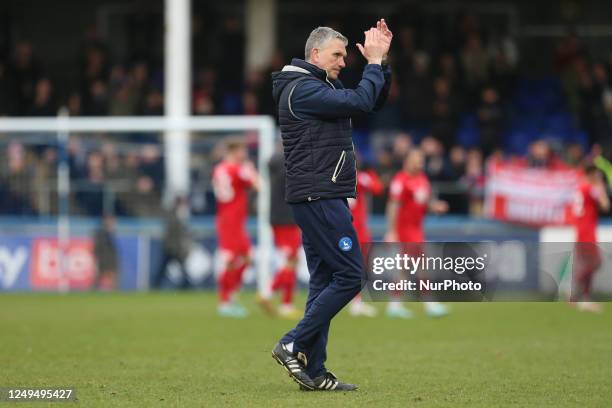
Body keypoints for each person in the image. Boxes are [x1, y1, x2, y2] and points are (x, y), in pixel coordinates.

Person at [270, 21, 392, 391]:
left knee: (324, 281)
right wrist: (371, 64)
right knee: (351, 276)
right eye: (337, 55)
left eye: (345, 54)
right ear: (315, 54)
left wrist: (381, 63)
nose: (343, 61)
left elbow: (372, 102)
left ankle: (317, 370)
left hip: (319, 194)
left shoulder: (315, 87)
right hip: (319, 195)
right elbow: (359, 100)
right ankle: (292, 342)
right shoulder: (301, 90)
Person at [385, 148, 450, 318]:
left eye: (422, 159)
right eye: (417, 158)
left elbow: (424, 201)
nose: (421, 162)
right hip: (405, 229)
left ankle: (396, 304)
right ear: (408, 160)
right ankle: (428, 303)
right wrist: (392, 231)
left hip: (416, 227)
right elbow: (393, 205)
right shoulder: (400, 180)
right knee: (420, 265)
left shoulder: (422, 178)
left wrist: (434, 206)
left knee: (407, 267)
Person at [212, 139, 259, 318]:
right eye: (243, 150)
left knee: (245, 257)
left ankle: (230, 294)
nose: (245, 154)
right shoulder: (237, 169)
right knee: (233, 259)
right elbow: (257, 185)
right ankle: (225, 300)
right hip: (231, 221)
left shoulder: (219, 169)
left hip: (230, 219)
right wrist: (250, 169)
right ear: (235, 151)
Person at [261, 150, 302, 319]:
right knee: (291, 260)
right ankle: (268, 293)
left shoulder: (275, 173)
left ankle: (287, 303)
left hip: (278, 219)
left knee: (292, 260)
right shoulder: (288, 174)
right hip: (287, 220)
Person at [571, 164, 610, 312]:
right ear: (592, 174)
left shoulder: (581, 188)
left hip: (582, 232)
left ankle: (585, 299)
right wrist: (600, 184)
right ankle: (574, 292)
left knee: (589, 264)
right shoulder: (589, 188)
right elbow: (605, 204)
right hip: (587, 233)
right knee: (595, 263)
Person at [348, 165, 384, 317]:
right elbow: (377, 188)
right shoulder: (360, 177)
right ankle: (356, 302)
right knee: (358, 265)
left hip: (347, 228)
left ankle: (357, 300)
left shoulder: (333, 177)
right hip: (356, 229)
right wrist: (371, 172)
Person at [153, 196, 192, 289]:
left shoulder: (178, 214)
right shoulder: (173, 215)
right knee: (163, 268)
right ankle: (156, 285)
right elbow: (174, 233)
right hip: (171, 247)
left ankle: (186, 285)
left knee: (170, 268)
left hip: (174, 247)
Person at [92, 214, 119, 290]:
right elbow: (97, 247)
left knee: (112, 275)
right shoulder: (101, 233)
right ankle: (93, 290)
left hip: (111, 258)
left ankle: (113, 291)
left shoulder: (112, 232)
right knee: (100, 275)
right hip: (103, 257)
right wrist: (96, 256)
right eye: (110, 221)